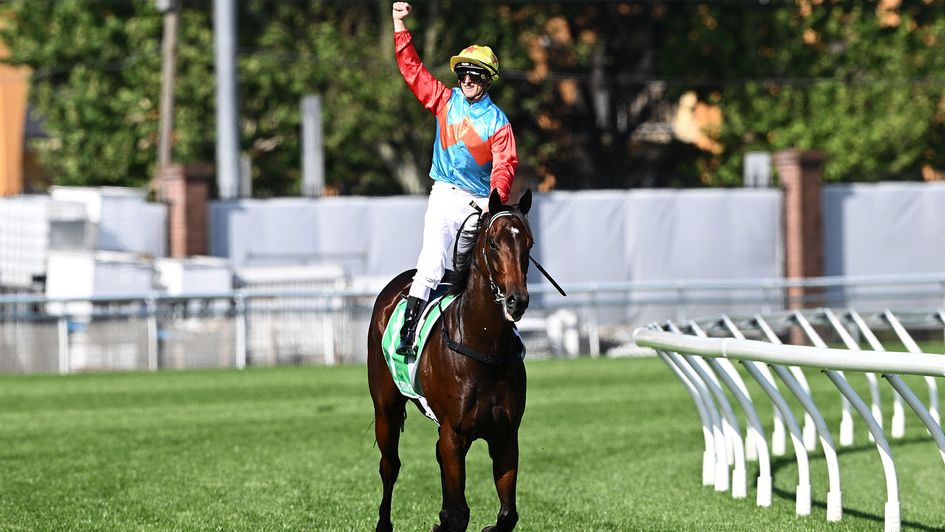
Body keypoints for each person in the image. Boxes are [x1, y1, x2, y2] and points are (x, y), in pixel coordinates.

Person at [391, 2, 518, 356]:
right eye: (462, 74)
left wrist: (495, 199)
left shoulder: (499, 122)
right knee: (432, 262)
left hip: (479, 205)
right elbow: (413, 71)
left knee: (481, 271)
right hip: (445, 197)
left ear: (487, 80)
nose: (466, 81)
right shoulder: (445, 101)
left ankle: (508, 335)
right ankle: (409, 332)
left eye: (473, 76)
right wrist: (400, 27)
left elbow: (504, 166)